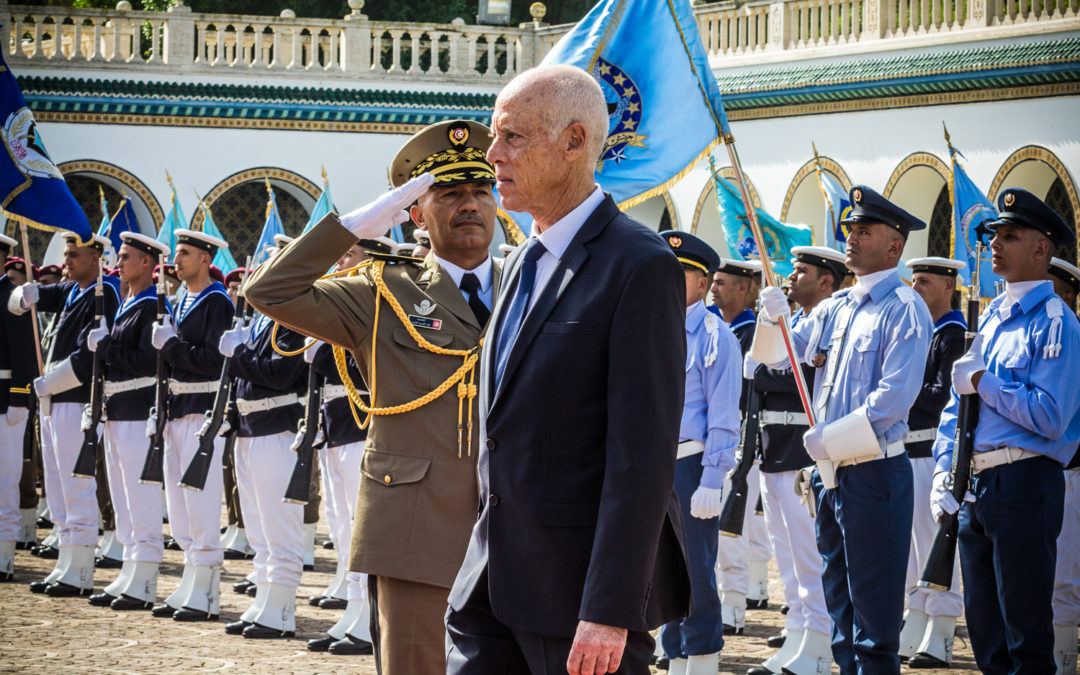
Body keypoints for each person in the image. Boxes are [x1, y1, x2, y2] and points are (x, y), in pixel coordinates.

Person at [443, 64, 689, 675]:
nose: (492, 154)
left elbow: (642, 457)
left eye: (513, 137)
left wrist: (610, 607)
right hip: (490, 585)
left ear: (575, 141)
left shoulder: (637, 265)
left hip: (576, 600)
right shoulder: (523, 259)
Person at [245, 119, 501, 673]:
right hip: (414, 518)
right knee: (417, 664)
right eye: (450, 193)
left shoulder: (526, 284)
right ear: (415, 212)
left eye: (482, 191)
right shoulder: (382, 289)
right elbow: (269, 291)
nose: (470, 205)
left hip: (512, 520)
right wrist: (358, 223)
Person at [753, 185, 931, 673]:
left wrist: (826, 440)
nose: (851, 238)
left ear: (894, 247)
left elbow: (893, 401)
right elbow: (775, 356)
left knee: (873, 622)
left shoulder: (904, 308)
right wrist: (772, 319)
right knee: (840, 614)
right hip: (831, 478)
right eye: (850, 229)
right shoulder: (837, 307)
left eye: (864, 231)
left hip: (874, 474)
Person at [932, 188, 1080, 674]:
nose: (995, 244)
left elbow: (1051, 416)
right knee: (986, 636)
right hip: (975, 485)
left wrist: (984, 381)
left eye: (1010, 236)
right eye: (994, 235)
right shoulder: (993, 316)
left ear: (1042, 249)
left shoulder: (1057, 323)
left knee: (1026, 636)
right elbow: (960, 406)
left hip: (1025, 483)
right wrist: (944, 469)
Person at [747, 246, 845, 675]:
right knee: (787, 558)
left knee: (810, 556)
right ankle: (800, 633)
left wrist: (768, 372)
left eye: (801, 271)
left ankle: (820, 645)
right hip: (775, 447)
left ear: (826, 281)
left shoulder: (831, 320)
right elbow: (758, 366)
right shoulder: (798, 322)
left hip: (803, 450)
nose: (791, 277)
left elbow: (790, 375)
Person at [10, 233, 121, 597]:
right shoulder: (74, 290)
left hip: (76, 397)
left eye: (75, 255)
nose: (67, 262)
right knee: (56, 487)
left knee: (76, 485)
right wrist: (30, 292)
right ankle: (66, 561)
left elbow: (89, 356)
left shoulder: (105, 293)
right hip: (54, 399)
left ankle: (82, 567)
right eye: (67, 255)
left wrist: (49, 383)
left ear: (97, 259)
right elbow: (48, 294)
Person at [656, 231, 741, 675]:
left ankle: (703, 658)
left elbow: (724, 414)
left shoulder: (716, 337)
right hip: (654, 465)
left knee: (697, 572)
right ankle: (673, 655)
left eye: (680, 273)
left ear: (703, 282)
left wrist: (713, 478)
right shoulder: (652, 328)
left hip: (692, 463)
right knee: (661, 569)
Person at [150, 229, 233, 622]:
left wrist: (170, 346)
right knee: (179, 508)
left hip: (202, 410)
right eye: (177, 254)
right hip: (176, 409)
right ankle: (191, 580)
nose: (176, 260)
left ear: (204, 259)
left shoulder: (217, 301)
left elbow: (215, 361)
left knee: (199, 505)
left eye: (184, 254)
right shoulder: (181, 299)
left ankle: (207, 592)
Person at [84, 232, 171, 610]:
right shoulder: (128, 302)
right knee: (122, 499)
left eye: (125, 257)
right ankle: (130, 569)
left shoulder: (152, 304)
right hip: (118, 411)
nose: (117, 263)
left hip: (139, 410)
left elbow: (146, 362)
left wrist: (105, 347)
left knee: (141, 498)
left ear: (147, 264)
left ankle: (145, 577)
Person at [218, 281, 308, 639]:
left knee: (280, 527)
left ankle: (282, 610)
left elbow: (279, 374)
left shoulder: (292, 319)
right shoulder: (260, 321)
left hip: (276, 429)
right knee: (257, 528)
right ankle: (265, 601)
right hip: (249, 429)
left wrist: (238, 353)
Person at [305, 240, 375, 656]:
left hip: (361, 425)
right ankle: (354, 609)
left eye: (349, 255)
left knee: (362, 529)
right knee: (343, 528)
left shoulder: (374, 301)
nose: (340, 261)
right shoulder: (341, 303)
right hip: (335, 427)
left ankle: (369, 618)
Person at [898, 256, 967, 667]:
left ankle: (942, 629)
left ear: (947, 287)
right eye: (915, 280)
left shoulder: (951, 333)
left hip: (929, 450)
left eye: (924, 281)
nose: (916, 287)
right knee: (909, 548)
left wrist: (901, 390)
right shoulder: (919, 331)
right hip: (906, 448)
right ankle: (916, 616)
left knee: (935, 544)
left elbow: (941, 395)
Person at [711, 257, 772, 630]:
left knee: (732, 526)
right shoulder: (716, 327)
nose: (714, 287)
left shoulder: (753, 333)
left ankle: (733, 606)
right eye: (713, 281)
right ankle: (737, 593)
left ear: (744, 288)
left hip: (742, 434)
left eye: (722, 282)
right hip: (718, 433)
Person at [1047, 256, 1080, 673]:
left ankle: (1064, 656)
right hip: (1048, 469)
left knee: (1065, 571)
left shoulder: (1070, 336)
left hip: (1070, 467)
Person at [0, 233, 38, 582]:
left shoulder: (10, 298)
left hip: (4, 399)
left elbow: (25, 356)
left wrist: (17, 398)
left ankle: (4, 555)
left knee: (6, 481)